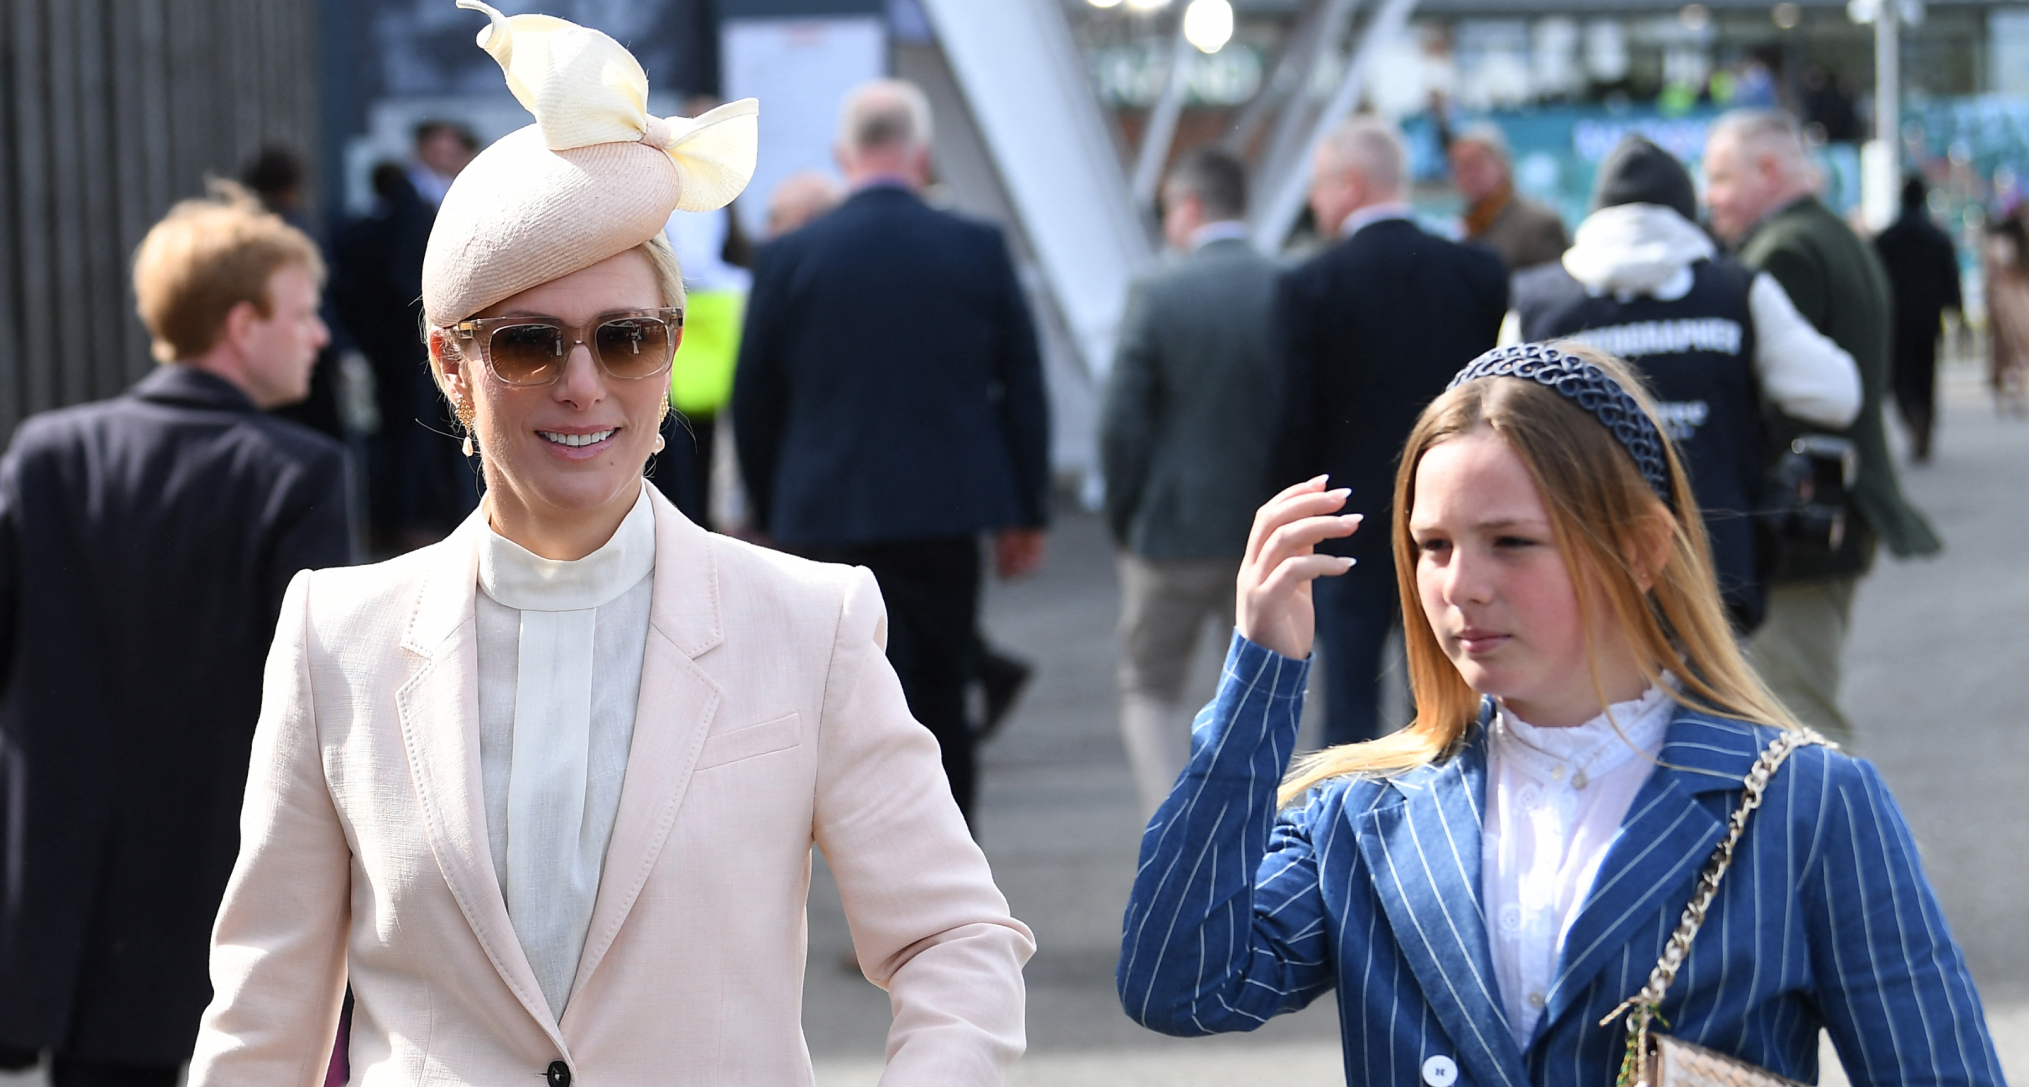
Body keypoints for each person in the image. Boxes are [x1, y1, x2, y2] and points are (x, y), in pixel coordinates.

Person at [190, 6, 1031, 1082]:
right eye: (530, 343)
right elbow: (266, 1010)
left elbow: (952, 938)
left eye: (625, 339)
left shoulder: (807, 621)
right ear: (451, 363)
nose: (583, 383)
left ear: (670, 349)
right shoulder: (334, 636)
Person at [1118, 343, 2003, 1087]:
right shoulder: (1362, 815)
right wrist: (1260, 681)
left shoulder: (1806, 802)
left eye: (1510, 541)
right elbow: (1178, 981)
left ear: (1642, 546)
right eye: (1432, 546)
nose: (1460, 584)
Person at [0, 188, 352, 1084]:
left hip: (69, 917)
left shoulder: (47, 456)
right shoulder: (298, 474)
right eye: (305, 314)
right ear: (243, 324)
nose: (319, 337)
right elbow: (326, 709)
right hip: (228, 905)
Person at [734, 78, 1052, 823]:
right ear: (921, 154)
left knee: (837, 713)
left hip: (823, 515)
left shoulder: (790, 256)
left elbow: (756, 396)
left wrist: (767, 508)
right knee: (940, 699)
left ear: (846, 155)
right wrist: (1025, 510)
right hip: (945, 513)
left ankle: (863, 903)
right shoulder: (975, 246)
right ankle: (949, 906)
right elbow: (1022, 380)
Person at [1508, 135, 1861, 631]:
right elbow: (1837, 395)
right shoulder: (1735, 288)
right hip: (1714, 566)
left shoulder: (1538, 301)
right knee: (1706, 707)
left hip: (1580, 566)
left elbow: (1496, 426)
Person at [1703, 109, 1941, 746]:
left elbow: (1774, 399)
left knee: (1799, 721)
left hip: (1799, 516)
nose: (1709, 195)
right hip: (1830, 505)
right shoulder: (1829, 236)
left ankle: (1838, 846)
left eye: (1720, 177)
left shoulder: (1782, 251)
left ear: (1770, 171)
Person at [1274, 115, 1507, 747]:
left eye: (1319, 184)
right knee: (1448, 708)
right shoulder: (1477, 272)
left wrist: (1289, 526)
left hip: (1345, 524)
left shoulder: (1311, 284)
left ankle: (1350, 843)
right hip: (1456, 524)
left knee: (1347, 713)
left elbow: (1294, 420)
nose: (1313, 200)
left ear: (1350, 184)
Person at [1100, 146, 1282, 817]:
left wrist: (1125, 518)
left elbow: (1122, 423)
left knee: (1148, 685)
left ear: (1189, 206)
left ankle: (1172, 828)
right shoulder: (1286, 283)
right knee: (1259, 686)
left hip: (1169, 531)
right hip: (1268, 530)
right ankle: (1257, 826)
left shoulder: (1157, 291)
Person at [1874, 175, 1964, 461]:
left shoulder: (1886, 239)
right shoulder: (1937, 238)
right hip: (1928, 319)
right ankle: (1923, 422)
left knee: (1900, 376)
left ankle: (1913, 417)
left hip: (1897, 319)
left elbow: (1874, 282)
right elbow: (1951, 279)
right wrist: (1957, 313)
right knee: (1926, 376)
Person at [1449, 123, 1570, 272]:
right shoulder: (1466, 224)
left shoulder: (1539, 223)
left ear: (1501, 164)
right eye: (1459, 167)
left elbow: (1560, 286)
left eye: (1475, 165)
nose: (1467, 176)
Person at [1983, 206, 2029, 416]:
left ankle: (2012, 393)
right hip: (2009, 301)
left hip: (2011, 300)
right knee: (2009, 349)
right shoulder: (2005, 244)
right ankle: (2009, 393)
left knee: (2012, 349)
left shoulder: (2004, 243)